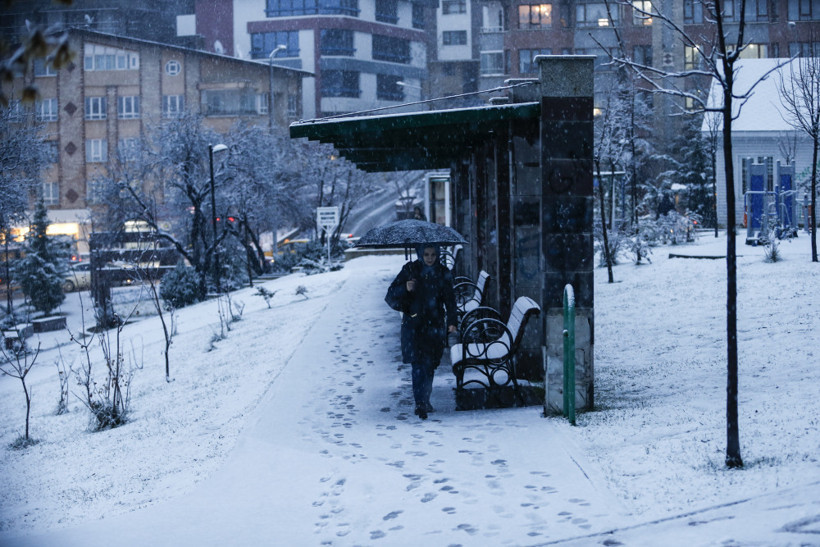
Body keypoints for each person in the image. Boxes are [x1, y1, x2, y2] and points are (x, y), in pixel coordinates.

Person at [386, 244, 457, 419]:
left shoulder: (443, 272)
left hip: (435, 325)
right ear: (420, 254)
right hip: (414, 325)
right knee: (418, 364)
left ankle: (425, 398)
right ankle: (420, 403)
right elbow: (390, 295)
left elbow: (450, 300)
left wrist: (452, 322)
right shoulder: (410, 270)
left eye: (433, 254)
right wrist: (406, 288)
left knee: (431, 363)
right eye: (426, 254)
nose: (430, 258)